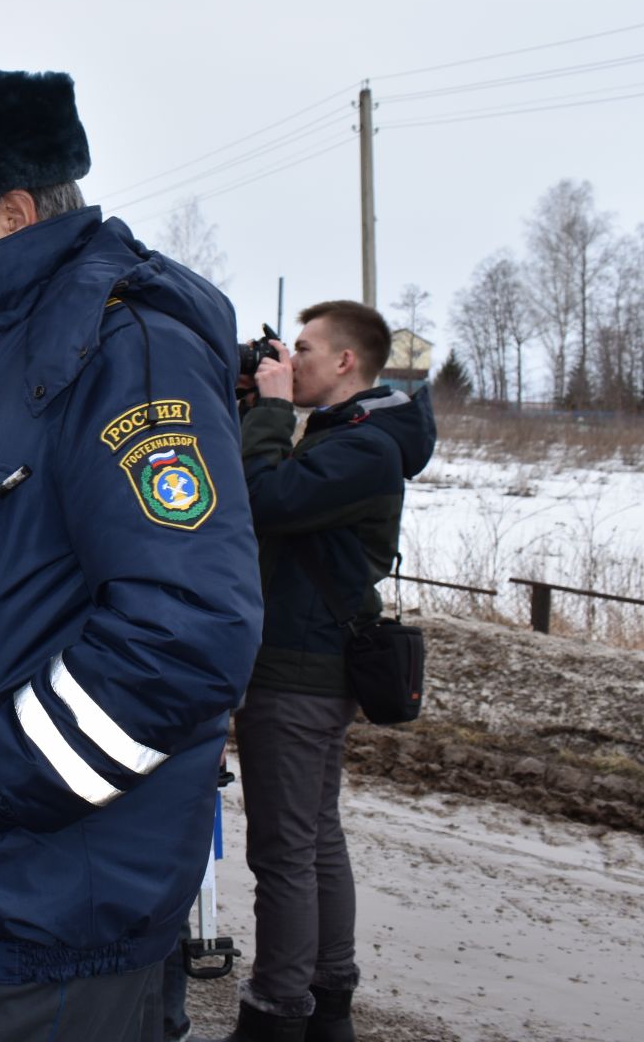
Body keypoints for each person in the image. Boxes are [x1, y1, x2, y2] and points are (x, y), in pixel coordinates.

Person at [0, 70, 262, 1040]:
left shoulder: (121, 352)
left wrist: (1, 779)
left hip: (48, 884)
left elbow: (189, 626)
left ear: (15, 211)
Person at [204, 303, 435, 1042]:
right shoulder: (347, 434)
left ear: (345, 363)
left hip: (298, 669)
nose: (290, 359)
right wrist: (258, 408)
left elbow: (264, 500)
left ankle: (276, 1014)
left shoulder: (365, 448)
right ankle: (328, 999)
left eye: (304, 349)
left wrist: (270, 411)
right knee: (313, 839)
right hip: (306, 659)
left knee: (283, 850)